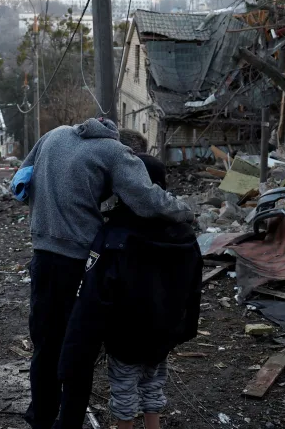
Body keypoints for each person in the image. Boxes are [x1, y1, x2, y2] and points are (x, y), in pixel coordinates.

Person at [18, 117, 193, 429]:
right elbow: (146, 198)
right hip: (81, 262)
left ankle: (41, 418)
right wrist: (185, 211)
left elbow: (20, 180)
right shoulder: (114, 152)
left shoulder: (54, 134)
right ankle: (69, 423)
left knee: (45, 343)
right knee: (79, 348)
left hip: (42, 256)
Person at [57, 154, 202, 429]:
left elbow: (95, 293)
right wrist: (183, 328)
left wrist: (85, 340)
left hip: (125, 333)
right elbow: (194, 286)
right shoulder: (183, 233)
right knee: (154, 382)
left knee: (124, 387)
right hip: (164, 330)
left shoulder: (114, 234)